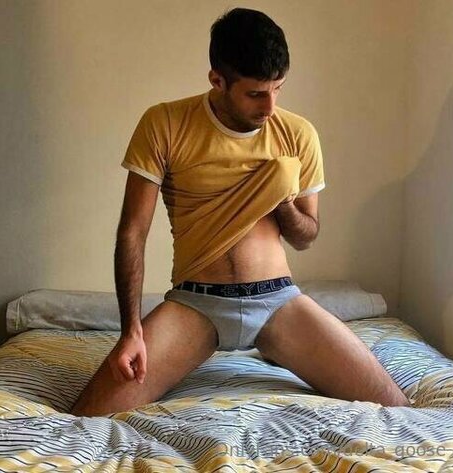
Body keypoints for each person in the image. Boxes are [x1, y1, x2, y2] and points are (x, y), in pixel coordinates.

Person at [71, 8, 410, 416]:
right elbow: (132, 232)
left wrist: (281, 199)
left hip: (278, 301)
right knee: (88, 414)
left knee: (394, 404)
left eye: (278, 89)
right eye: (255, 94)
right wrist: (132, 331)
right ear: (217, 80)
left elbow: (305, 236)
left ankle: (280, 349)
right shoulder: (165, 123)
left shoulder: (298, 133)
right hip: (196, 303)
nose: (270, 106)